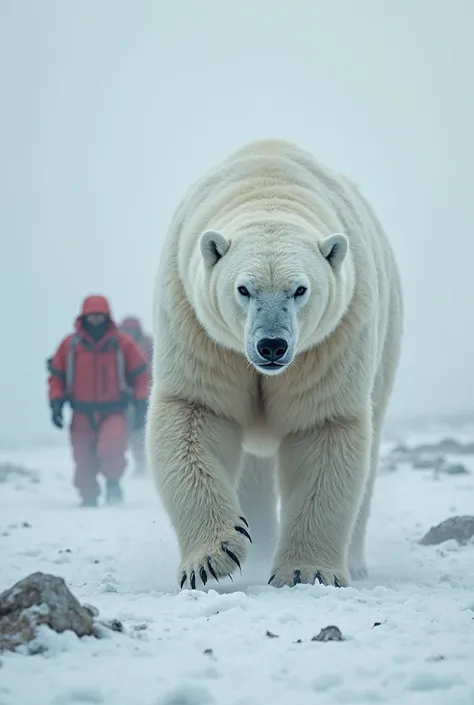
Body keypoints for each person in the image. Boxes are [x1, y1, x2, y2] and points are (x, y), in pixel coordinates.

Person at [47, 295, 150, 507]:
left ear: (108, 317)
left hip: (113, 411)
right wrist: (56, 403)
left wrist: (142, 401)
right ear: (83, 317)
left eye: (99, 316)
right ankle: (88, 496)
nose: (95, 320)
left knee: (112, 448)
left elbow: (141, 375)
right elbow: (56, 376)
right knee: (83, 459)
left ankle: (113, 483)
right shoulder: (70, 345)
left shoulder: (123, 344)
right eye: (91, 316)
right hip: (81, 413)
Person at [119, 316, 153, 476]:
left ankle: (142, 462)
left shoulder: (149, 344)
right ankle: (131, 461)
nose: (129, 333)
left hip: (146, 394)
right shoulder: (116, 344)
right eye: (126, 330)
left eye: (131, 330)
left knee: (140, 430)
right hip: (123, 396)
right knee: (128, 431)